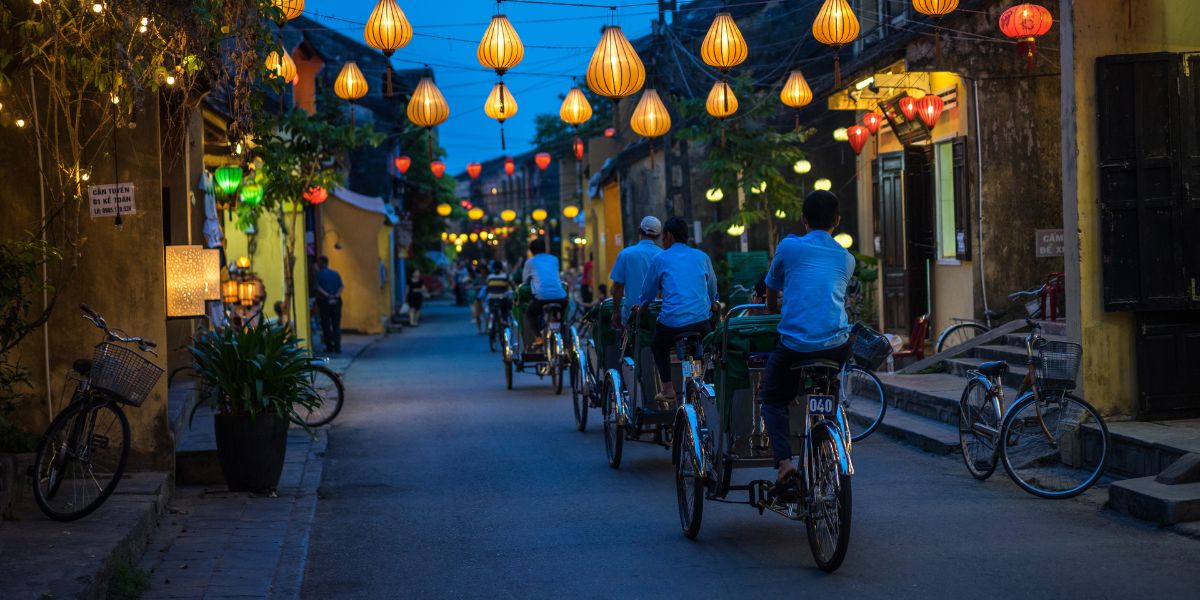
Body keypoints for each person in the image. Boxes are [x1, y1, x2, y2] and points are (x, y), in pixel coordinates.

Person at [759, 190, 856, 495]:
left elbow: (771, 291)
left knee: (771, 398)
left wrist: (775, 306)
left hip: (796, 345)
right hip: (836, 345)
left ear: (803, 220)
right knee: (829, 379)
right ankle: (829, 426)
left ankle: (786, 465)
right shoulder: (846, 258)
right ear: (837, 221)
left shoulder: (788, 247)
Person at [633, 217, 719, 408]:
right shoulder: (702, 257)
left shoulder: (660, 259)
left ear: (669, 236)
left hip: (672, 324)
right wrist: (713, 302)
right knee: (710, 346)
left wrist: (643, 305)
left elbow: (647, 292)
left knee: (658, 346)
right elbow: (712, 287)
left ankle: (668, 389)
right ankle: (709, 381)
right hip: (700, 322)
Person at [609, 216, 663, 331]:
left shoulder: (626, 254)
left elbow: (617, 286)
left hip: (632, 313)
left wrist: (615, 312)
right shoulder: (664, 255)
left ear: (639, 230)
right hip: (658, 312)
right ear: (658, 235)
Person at [522, 238, 568, 346]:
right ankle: (564, 338)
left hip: (541, 298)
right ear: (545, 248)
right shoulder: (554, 259)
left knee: (530, 314)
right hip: (561, 297)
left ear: (531, 251)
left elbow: (524, 281)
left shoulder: (530, 262)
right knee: (561, 317)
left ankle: (538, 338)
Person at [314, 256, 344, 353]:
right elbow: (341, 286)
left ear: (322, 263)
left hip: (325, 302)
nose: (317, 265)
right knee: (336, 325)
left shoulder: (319, 275)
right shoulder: (335, 273)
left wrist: (328, 295)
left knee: (326, 325)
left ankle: (329, 346)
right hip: (336, 302)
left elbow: (318, 287)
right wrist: (335, 295)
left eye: (318, 263)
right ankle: (338, 346)